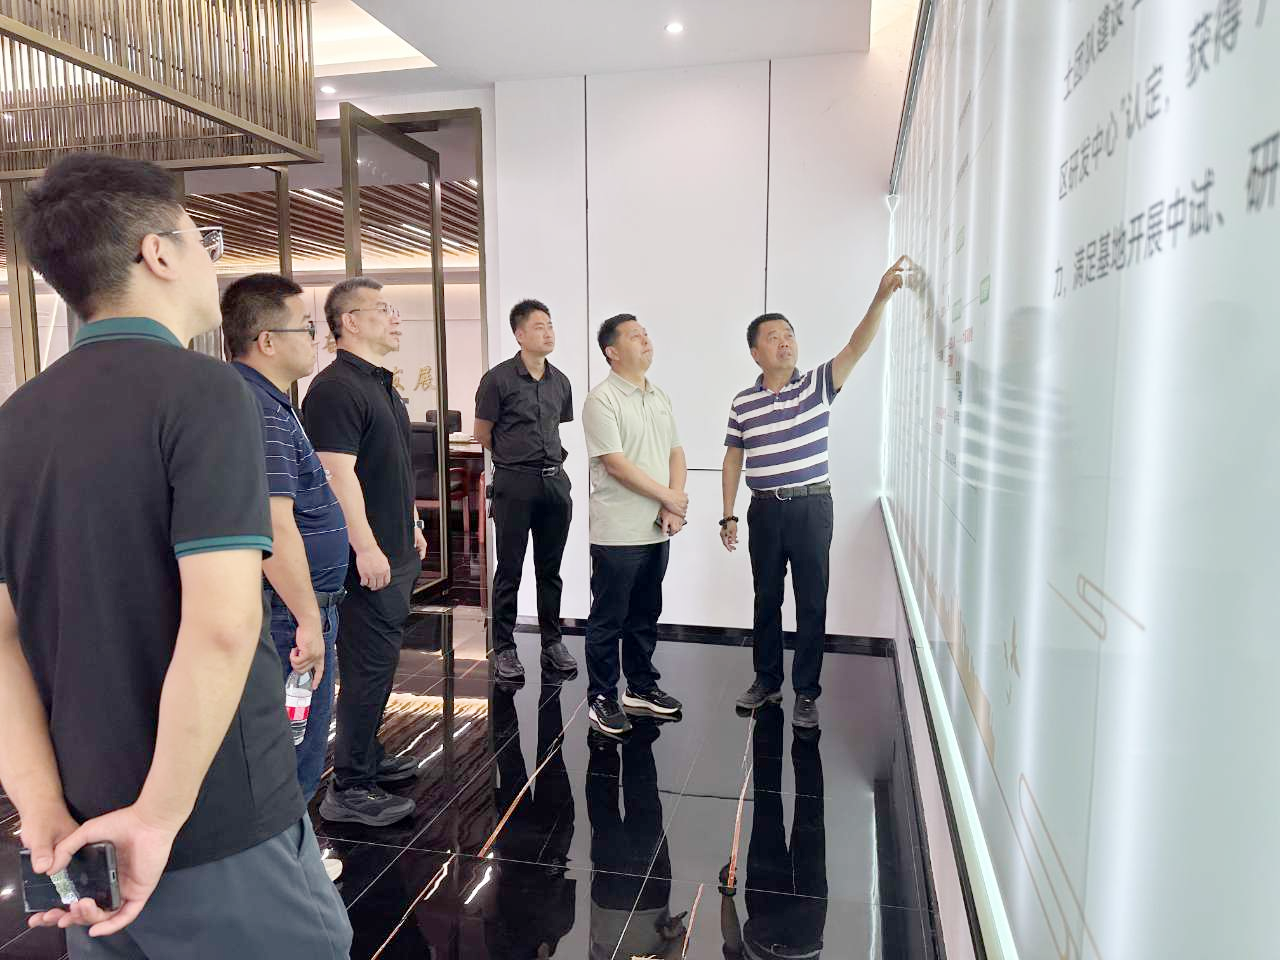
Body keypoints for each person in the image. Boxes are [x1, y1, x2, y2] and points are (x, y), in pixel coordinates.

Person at [0, 154, 351, 957]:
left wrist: (42, 809)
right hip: (212, 816)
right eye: (203, 239)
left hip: (85, 832)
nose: (211, 260)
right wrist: (158, 818)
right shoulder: (206, 391)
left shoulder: (14, 420)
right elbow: (223, 627)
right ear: (157, 253)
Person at [721, 257, 912, 729]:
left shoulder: (817, 385)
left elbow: (856, 345)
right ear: (755, 353)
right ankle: (766, 681)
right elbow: (733, 458)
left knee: (811, 601)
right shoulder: (743, 402)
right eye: (773, 336)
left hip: (811, 506)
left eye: (789, 334)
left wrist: (880, 297)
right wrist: (728, 514)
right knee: (766, 598)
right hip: (764, 511)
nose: (784, 341)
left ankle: (806, 692)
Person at [221, 275, 348, 829]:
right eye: (306, 327)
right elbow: (273, 525)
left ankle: (287, 853)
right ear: (267, 340)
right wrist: (308, 621)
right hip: (288, 614)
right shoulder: (261, 408)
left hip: (291, 608)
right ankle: (288, 859)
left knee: (292, 742)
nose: (316, 338)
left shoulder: (263, 400)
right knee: (292, 746)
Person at [303, 277, 426, 827]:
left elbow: (392, 465)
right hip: (367, 558)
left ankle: (368, 757)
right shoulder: (334, 388)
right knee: (366, 669)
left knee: (380, 666)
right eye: (383, 309)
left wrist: (414, 522)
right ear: (349, 322)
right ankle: (349, 787)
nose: (395, 318)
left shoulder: (381, 384)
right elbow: (337, 476)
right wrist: (368, 547)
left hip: (395, 549)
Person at [581, 314, 686, 737]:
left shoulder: (659, 395)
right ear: (612, 351)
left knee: (646, 612)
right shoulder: (601, 400)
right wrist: (668, 497)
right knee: (609, 617)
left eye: (646, 334)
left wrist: (674, 502)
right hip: (618, 531)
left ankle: (641, 687)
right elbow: (616, 464)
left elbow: (676, 452)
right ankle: (601, 697)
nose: (646, 340)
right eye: (635, 336)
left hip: (657, 527)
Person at [474, 299, 578, 684]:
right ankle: (504, 647)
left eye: (550, 325)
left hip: (554, 482)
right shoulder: (497, 380)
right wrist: (513, 460)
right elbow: (482, 433)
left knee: (550, 570)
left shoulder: (560, 381)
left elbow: (555, 427)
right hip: (514, 483)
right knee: (510, 569)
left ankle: (553, 642)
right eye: (538, 326)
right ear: (519, 334)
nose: (548, 333)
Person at [719, 702, 828, 959]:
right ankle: (788, 730)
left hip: (788, 928)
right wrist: (726, 894)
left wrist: (727, 892)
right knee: (774, 812)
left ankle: (797, 734)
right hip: (778, 926)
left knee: (804, 818)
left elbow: (732, 943)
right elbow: (732, 943)